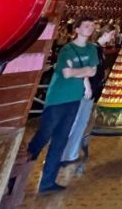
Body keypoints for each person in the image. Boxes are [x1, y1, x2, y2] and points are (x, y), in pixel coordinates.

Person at [27, 15, 99, 194]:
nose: (89, 28)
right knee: (43, 137)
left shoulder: (92, 49)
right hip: (57, 99)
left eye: (92, 26)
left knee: (60, 140)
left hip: (74, 99)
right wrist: (83, 72)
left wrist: (79, 73)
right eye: (86, 26)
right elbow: (67, 74)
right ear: (77, 29)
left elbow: (93, 70)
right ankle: (17, 176)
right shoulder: (67, 49)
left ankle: (47, 182)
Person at [61, 24, 117, 166]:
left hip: (92, 90)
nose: (113, 38)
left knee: (82, 122)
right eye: (112, 34)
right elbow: (84, 68)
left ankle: (71, 154)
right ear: (106, 33)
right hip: (84, 89)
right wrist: (86, 85)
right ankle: (60, 154)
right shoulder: (92, 49)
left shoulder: (99, 50)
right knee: (74, 121)